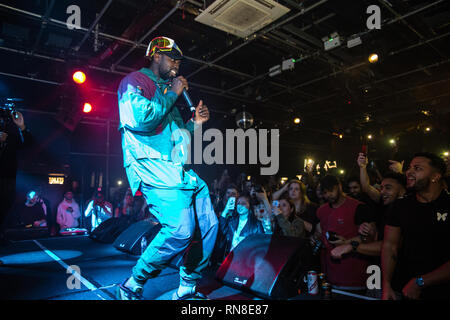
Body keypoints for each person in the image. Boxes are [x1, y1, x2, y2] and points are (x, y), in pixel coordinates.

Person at [116, 36, 218, 300]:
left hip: (179, 171)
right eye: (172, 58)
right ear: (156, 55)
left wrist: (195, 123)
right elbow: (141, 119)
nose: (176, 64)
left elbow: (178, 140)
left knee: (208, 224)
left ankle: (187, 286)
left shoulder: (165, 92)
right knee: (180, 229)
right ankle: (133, 283)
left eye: (179, 60)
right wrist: (173, 92)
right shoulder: (135, 83)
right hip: (154, 169)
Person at [382, 152, 450, 300]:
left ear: (435, 176)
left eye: (417, 168)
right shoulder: (400, 206)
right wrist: (386, 284)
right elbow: (389, 246)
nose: (409, 172)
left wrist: (420, 282)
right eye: (410, 167)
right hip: (404, 290)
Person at [315, 175, 376, 291]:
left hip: (354, 276)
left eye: (331, 191)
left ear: (339, 186)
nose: (328, 195)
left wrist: (346, 243)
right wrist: (317, 237)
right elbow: (319, 233)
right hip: (330, 276)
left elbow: (369, 238)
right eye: (325, 192)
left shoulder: (358, 207)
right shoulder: (321, 211)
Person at [0, 110, 32, 244]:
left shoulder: (11, 137)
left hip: (9, 180)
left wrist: (22, 127)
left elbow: (27, 144)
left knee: (4, 210)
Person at [214, 194, 264, 263]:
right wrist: (226, 209)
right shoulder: (231, 221)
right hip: (229, 261)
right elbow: (221, 230)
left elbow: (261, 246)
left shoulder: (256, 224)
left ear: (249, 206)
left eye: (243, 203)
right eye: (238, 203)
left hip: (246, 262)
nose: (240, 205)